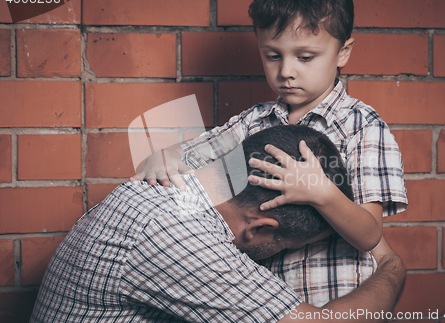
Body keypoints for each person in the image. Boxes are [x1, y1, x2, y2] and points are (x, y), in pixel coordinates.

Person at [131, 0, 408, 305]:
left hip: (333, 300)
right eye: (273, 55)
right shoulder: (253, 122)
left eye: (305, 57)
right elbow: (191, 155)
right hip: (265, 304)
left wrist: (323, 193)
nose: (286, 71)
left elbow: (370, 234)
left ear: (342, 52)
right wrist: (162, 157)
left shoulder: (362, 126)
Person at [31, 126, 405, 323]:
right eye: (286, 249)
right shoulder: (183, 236)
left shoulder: (180, 191)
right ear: (258, 229)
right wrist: (391, 270)